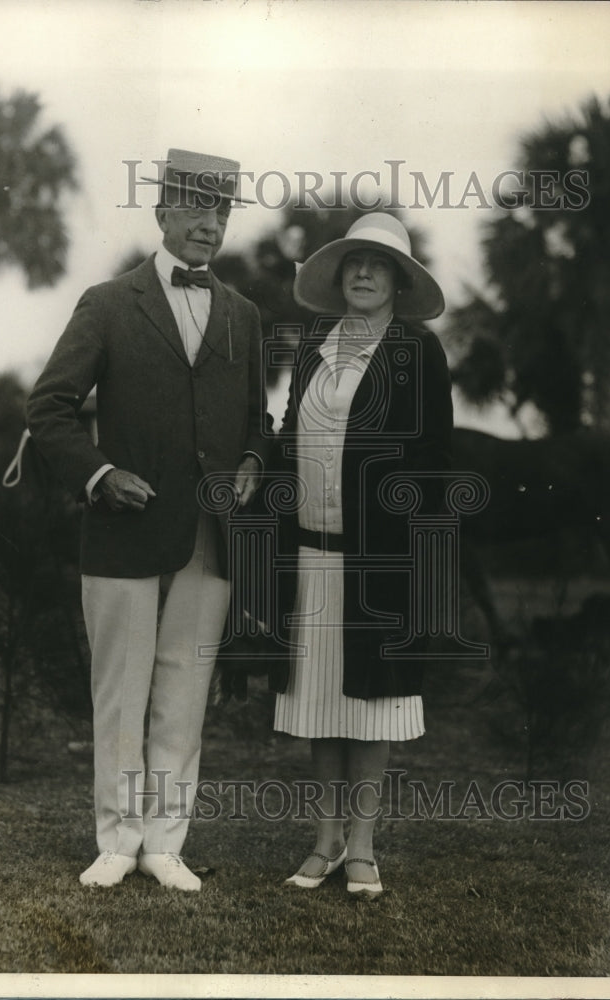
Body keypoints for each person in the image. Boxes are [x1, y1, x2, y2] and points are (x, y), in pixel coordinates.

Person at [26, 148, 269, 892]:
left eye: (221, 210)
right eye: (195, 207)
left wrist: (255, 467)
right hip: (124, 530)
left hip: (210, 533)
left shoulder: (243, 314)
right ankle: (116, 838)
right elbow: (49, 408)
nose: (209, 222)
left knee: (183, 694)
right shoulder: (107, 303)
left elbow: (258, 421)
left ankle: (165, 843)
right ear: (161, 213)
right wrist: (100, 475)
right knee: (121, 690)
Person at [270, 213, 453, 896]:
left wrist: (409, 537)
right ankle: (323, 840)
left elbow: (436, 456)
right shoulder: (316, 340)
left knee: (371, 705)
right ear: (339, 275)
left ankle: (363, 849)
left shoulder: (417, 349)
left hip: (381, 560)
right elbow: (292, 431)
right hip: (312, 554)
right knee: (320, 702)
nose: (365, 274)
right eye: (354, 264)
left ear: (400, 281)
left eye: (379, 266)